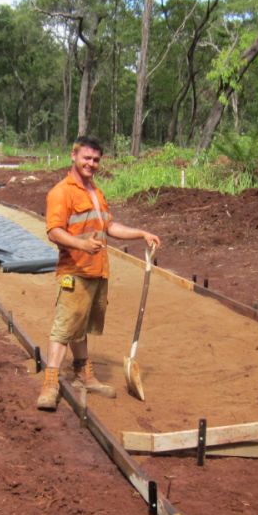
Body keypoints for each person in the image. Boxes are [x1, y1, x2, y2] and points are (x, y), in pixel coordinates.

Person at [36, 136, 161, 411]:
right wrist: (81, 244)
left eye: (96, 160)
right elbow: (54, 231)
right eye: (87, 158)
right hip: (75, 270)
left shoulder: (95, 192)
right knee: (65, 325)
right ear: (73, 156)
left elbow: (109, 228)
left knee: (81, 325)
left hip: (97, 271)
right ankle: (50, 382)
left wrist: (141, 233)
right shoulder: (61, 192)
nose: (91, 164)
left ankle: (84, 375)